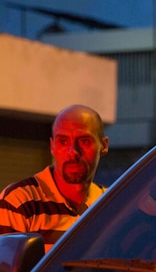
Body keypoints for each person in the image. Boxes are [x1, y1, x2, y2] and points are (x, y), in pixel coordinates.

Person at [0, 104, 109, 252]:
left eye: (84, 141)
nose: (73, 152)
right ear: (52, 146)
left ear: (104, 146)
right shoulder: (18, 202)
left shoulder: (111, 204)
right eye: (63, 141)